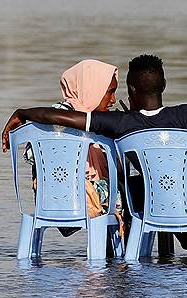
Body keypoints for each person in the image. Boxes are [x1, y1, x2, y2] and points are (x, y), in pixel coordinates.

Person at [3, 54, 187, 261]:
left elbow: (63, 116)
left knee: (148, 186)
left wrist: (23, 113)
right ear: (163, 86)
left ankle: (179, 255)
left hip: (159, 207)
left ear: (131, 89)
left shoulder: (121, 123)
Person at [15, 59, 121, 233]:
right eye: (109, 92)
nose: (113, 100)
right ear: (92, 90)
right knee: (134, 193)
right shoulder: (91, 124)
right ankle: (123, 256)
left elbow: (32, 157)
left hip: (48, 201)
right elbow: (118, 169)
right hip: (85, 201)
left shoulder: (47, 117)